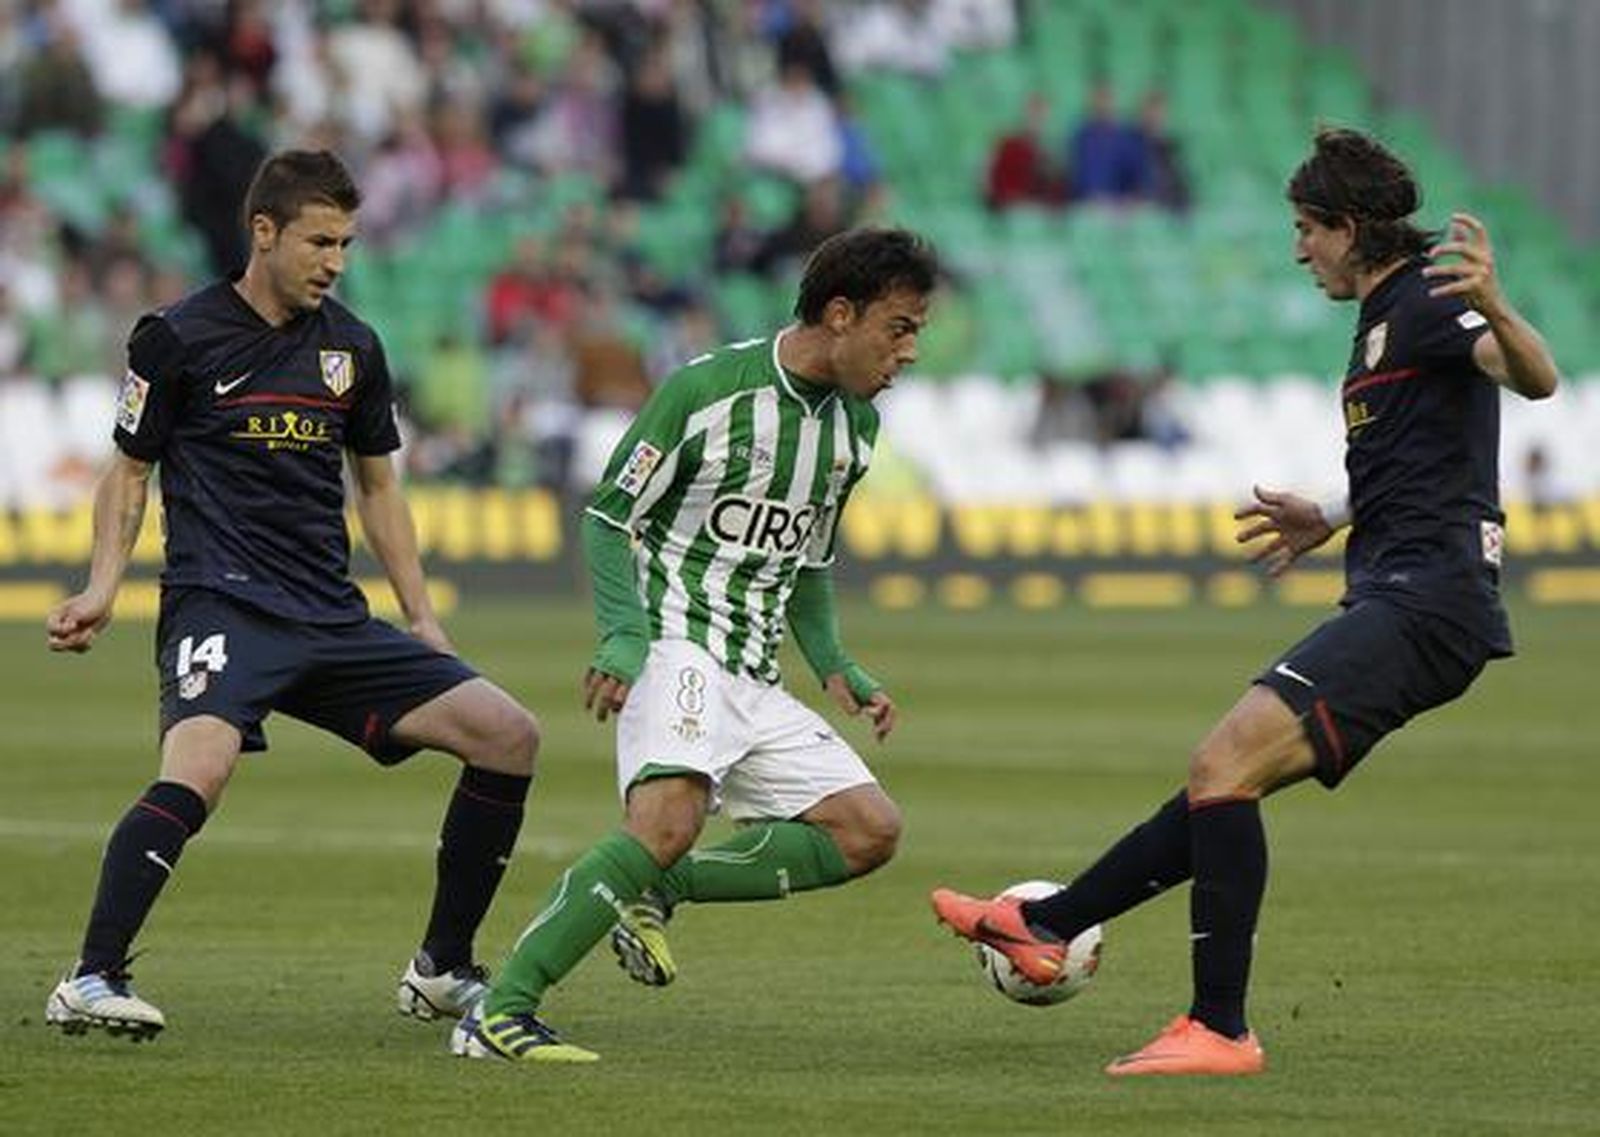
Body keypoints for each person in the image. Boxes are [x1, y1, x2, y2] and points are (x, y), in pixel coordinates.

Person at [931, 127, 1559, 1076]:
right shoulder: (1386, 310)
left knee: (1222, 760)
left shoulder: (1431, 296)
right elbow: (1429, 452)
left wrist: (1500, 309)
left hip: (1429, 600)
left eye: (1308, 228)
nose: (1299, 248)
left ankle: (1218, 1027)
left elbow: (1534, 378)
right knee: (1224, 780)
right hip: (1407, 590)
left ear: (1351, 227)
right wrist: (1336, 514)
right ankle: (1046, 922)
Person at [43, 150, 540, 1041]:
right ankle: (90, 976)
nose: (335, 260)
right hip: (220, 605)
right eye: (319, 239)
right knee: (198, 770)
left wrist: (423, 617)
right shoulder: (176, 337)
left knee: (508, 734)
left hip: (332, 617)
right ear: (263, 232)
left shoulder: (354, 347)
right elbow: (128, 473)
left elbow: (379, 489)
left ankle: (441, 968)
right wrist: (102, 586)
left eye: (346, 242)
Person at [452, 226, 937, 1063]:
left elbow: (810, 558)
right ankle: (500, 1011)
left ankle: (660, 887)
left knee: (868, 830)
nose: (910, 351)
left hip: (753, 671)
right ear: (840, 313)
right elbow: (608, 515)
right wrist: (624, 635)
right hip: (678, 644)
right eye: (900, 328)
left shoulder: (856, 429)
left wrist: (834, 664)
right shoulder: (707, 392)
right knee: (666, 819)